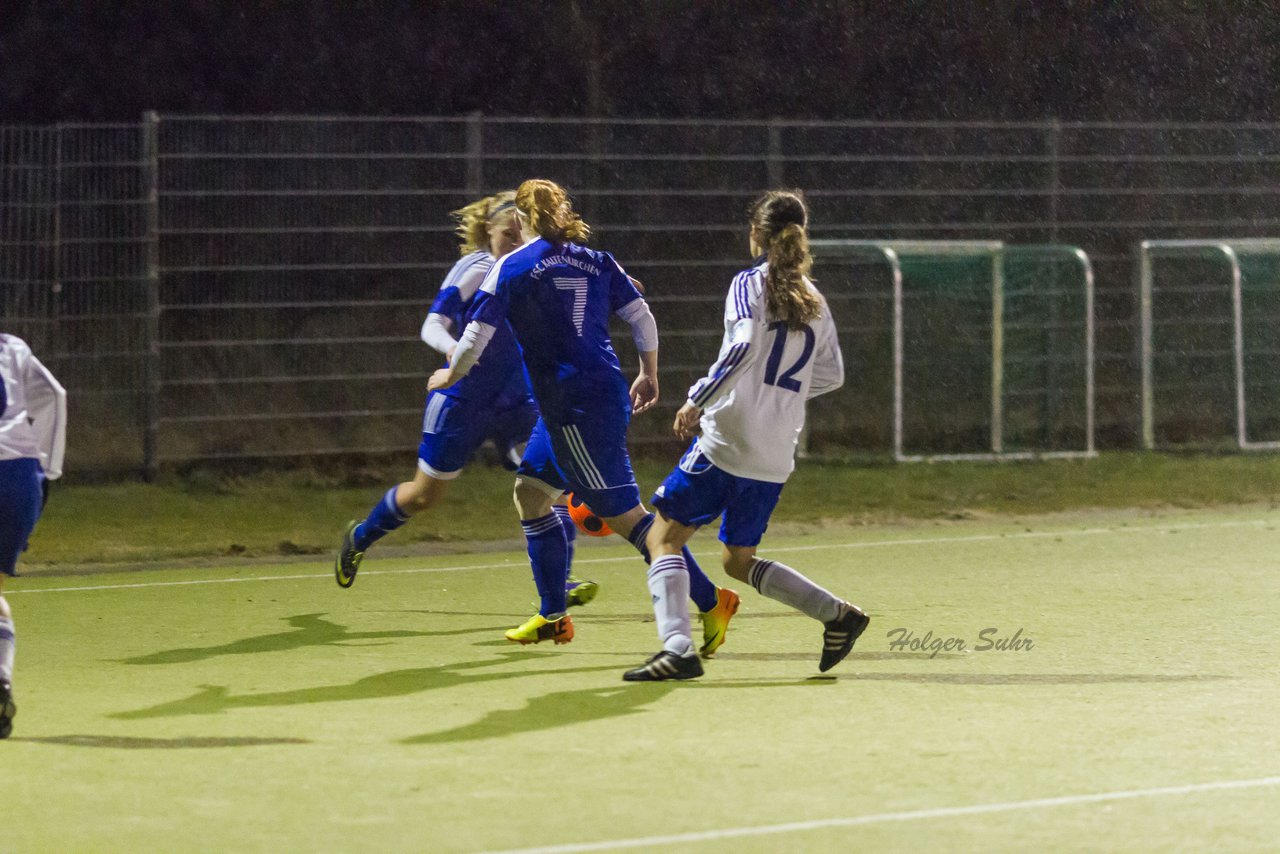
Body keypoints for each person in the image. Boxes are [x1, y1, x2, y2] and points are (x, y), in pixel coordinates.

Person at [429, 178, 737, 649]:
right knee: (531, 494)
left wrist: (451, 375)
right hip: (586, 399)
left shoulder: (513, 266)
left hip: (576, 407)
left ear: (522, 219)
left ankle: (712, 600)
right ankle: (553, 614)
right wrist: (648, 372)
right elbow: (642, 316)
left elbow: (474, 336)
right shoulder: (596, 259)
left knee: (631, 522)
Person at [626, 190, 869, 681]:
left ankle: (677, 648)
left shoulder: (749, 283)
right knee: (738, 560)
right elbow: (833, 375)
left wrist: (698, 398)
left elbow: (741, 350)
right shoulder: (814, 299)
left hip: (730, 441)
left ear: (755, 234)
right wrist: (782, 398)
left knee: (662, 536)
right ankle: (837, 615)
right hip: (776, 452)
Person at [335, 192, 595, 609]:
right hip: (461, 400)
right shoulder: (476, 268)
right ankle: (360, 536)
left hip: (516, 399)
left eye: (520, 233)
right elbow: (432, 324)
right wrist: (456, 351)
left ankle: (559, 583)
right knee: (424, 496)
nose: (514, 242)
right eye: (506, 234)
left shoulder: (535, 267)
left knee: (546, 483)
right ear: (486, 231)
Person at [0, 332, 67, 737]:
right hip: (19, 478)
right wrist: (50, 472)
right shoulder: (12, 347)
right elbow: (54, 397)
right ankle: (0, 679)